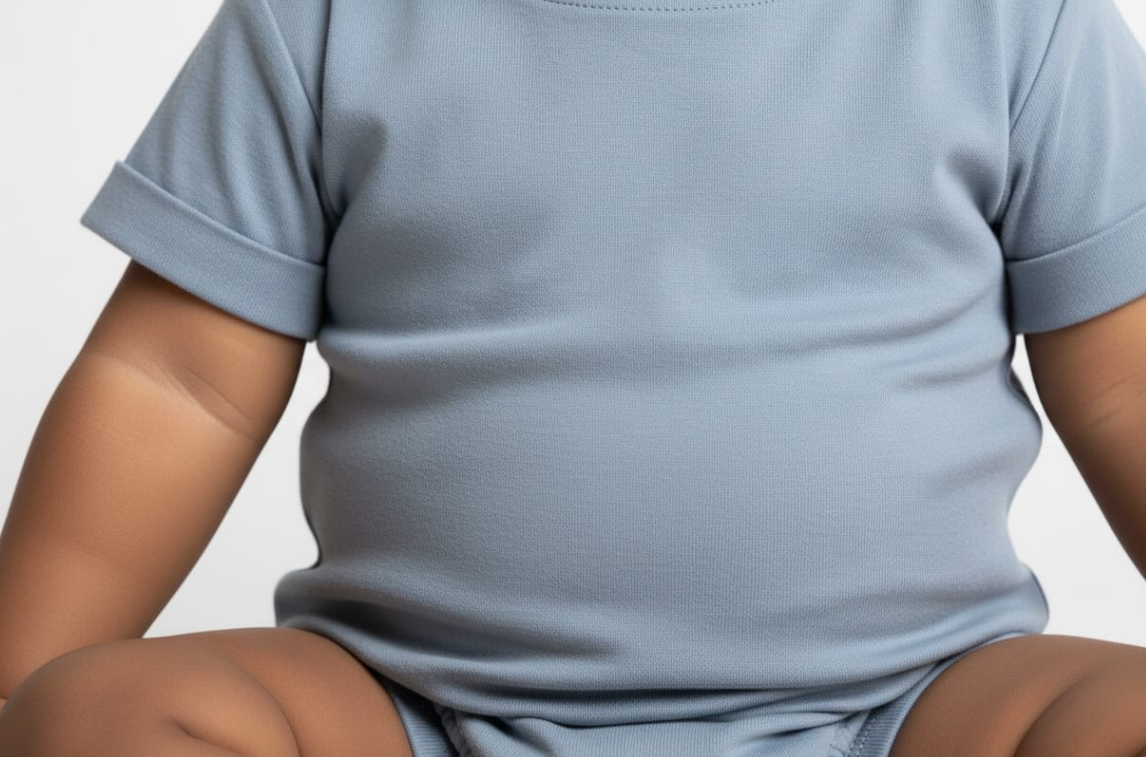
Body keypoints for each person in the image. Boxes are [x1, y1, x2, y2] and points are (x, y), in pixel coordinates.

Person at [3, 0, 1146, 755]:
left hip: (911, 703)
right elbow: (179, 380)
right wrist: (17, 676)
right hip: (407, 701)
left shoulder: (1014, 19)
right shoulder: (324, 16)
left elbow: (1124, 386)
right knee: (96, 714)